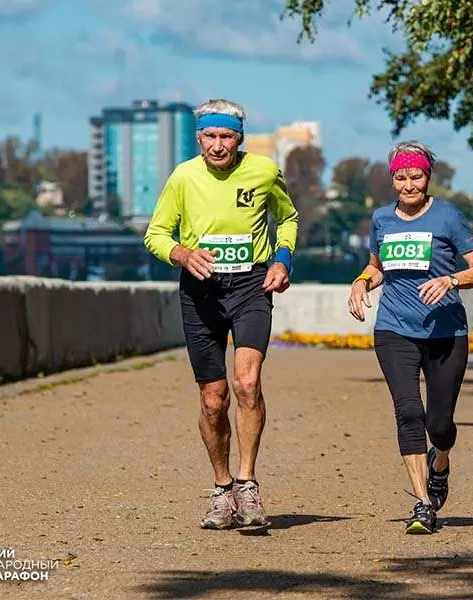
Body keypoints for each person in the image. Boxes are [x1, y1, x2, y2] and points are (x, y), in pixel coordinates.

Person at [144, 98, 299, 529]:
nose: (217, 145)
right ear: (198, 138)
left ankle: (247, 485)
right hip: (201, 290)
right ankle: (221, 487)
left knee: (247, 383)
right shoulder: (183, 177)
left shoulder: (264, 171)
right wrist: (182, 254)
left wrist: (283, 259)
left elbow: (287, 218)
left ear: (239, 138)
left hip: (251, 285)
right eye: (210, 136)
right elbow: (155, 234)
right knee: (214, 400)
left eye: (226, 136)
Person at [347, 141, 473, 534]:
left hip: (446, 331)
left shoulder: (448, 217)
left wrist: (451, 280)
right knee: (408, 412)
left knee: (439, 425)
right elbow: (377, 267)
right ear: (391, 179)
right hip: (394, 328)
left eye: (416, 177)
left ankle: (440, 461)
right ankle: (423, 502)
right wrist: (361, 282)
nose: (409, 185)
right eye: (401, 177)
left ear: (428, 177)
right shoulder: (382, 219)